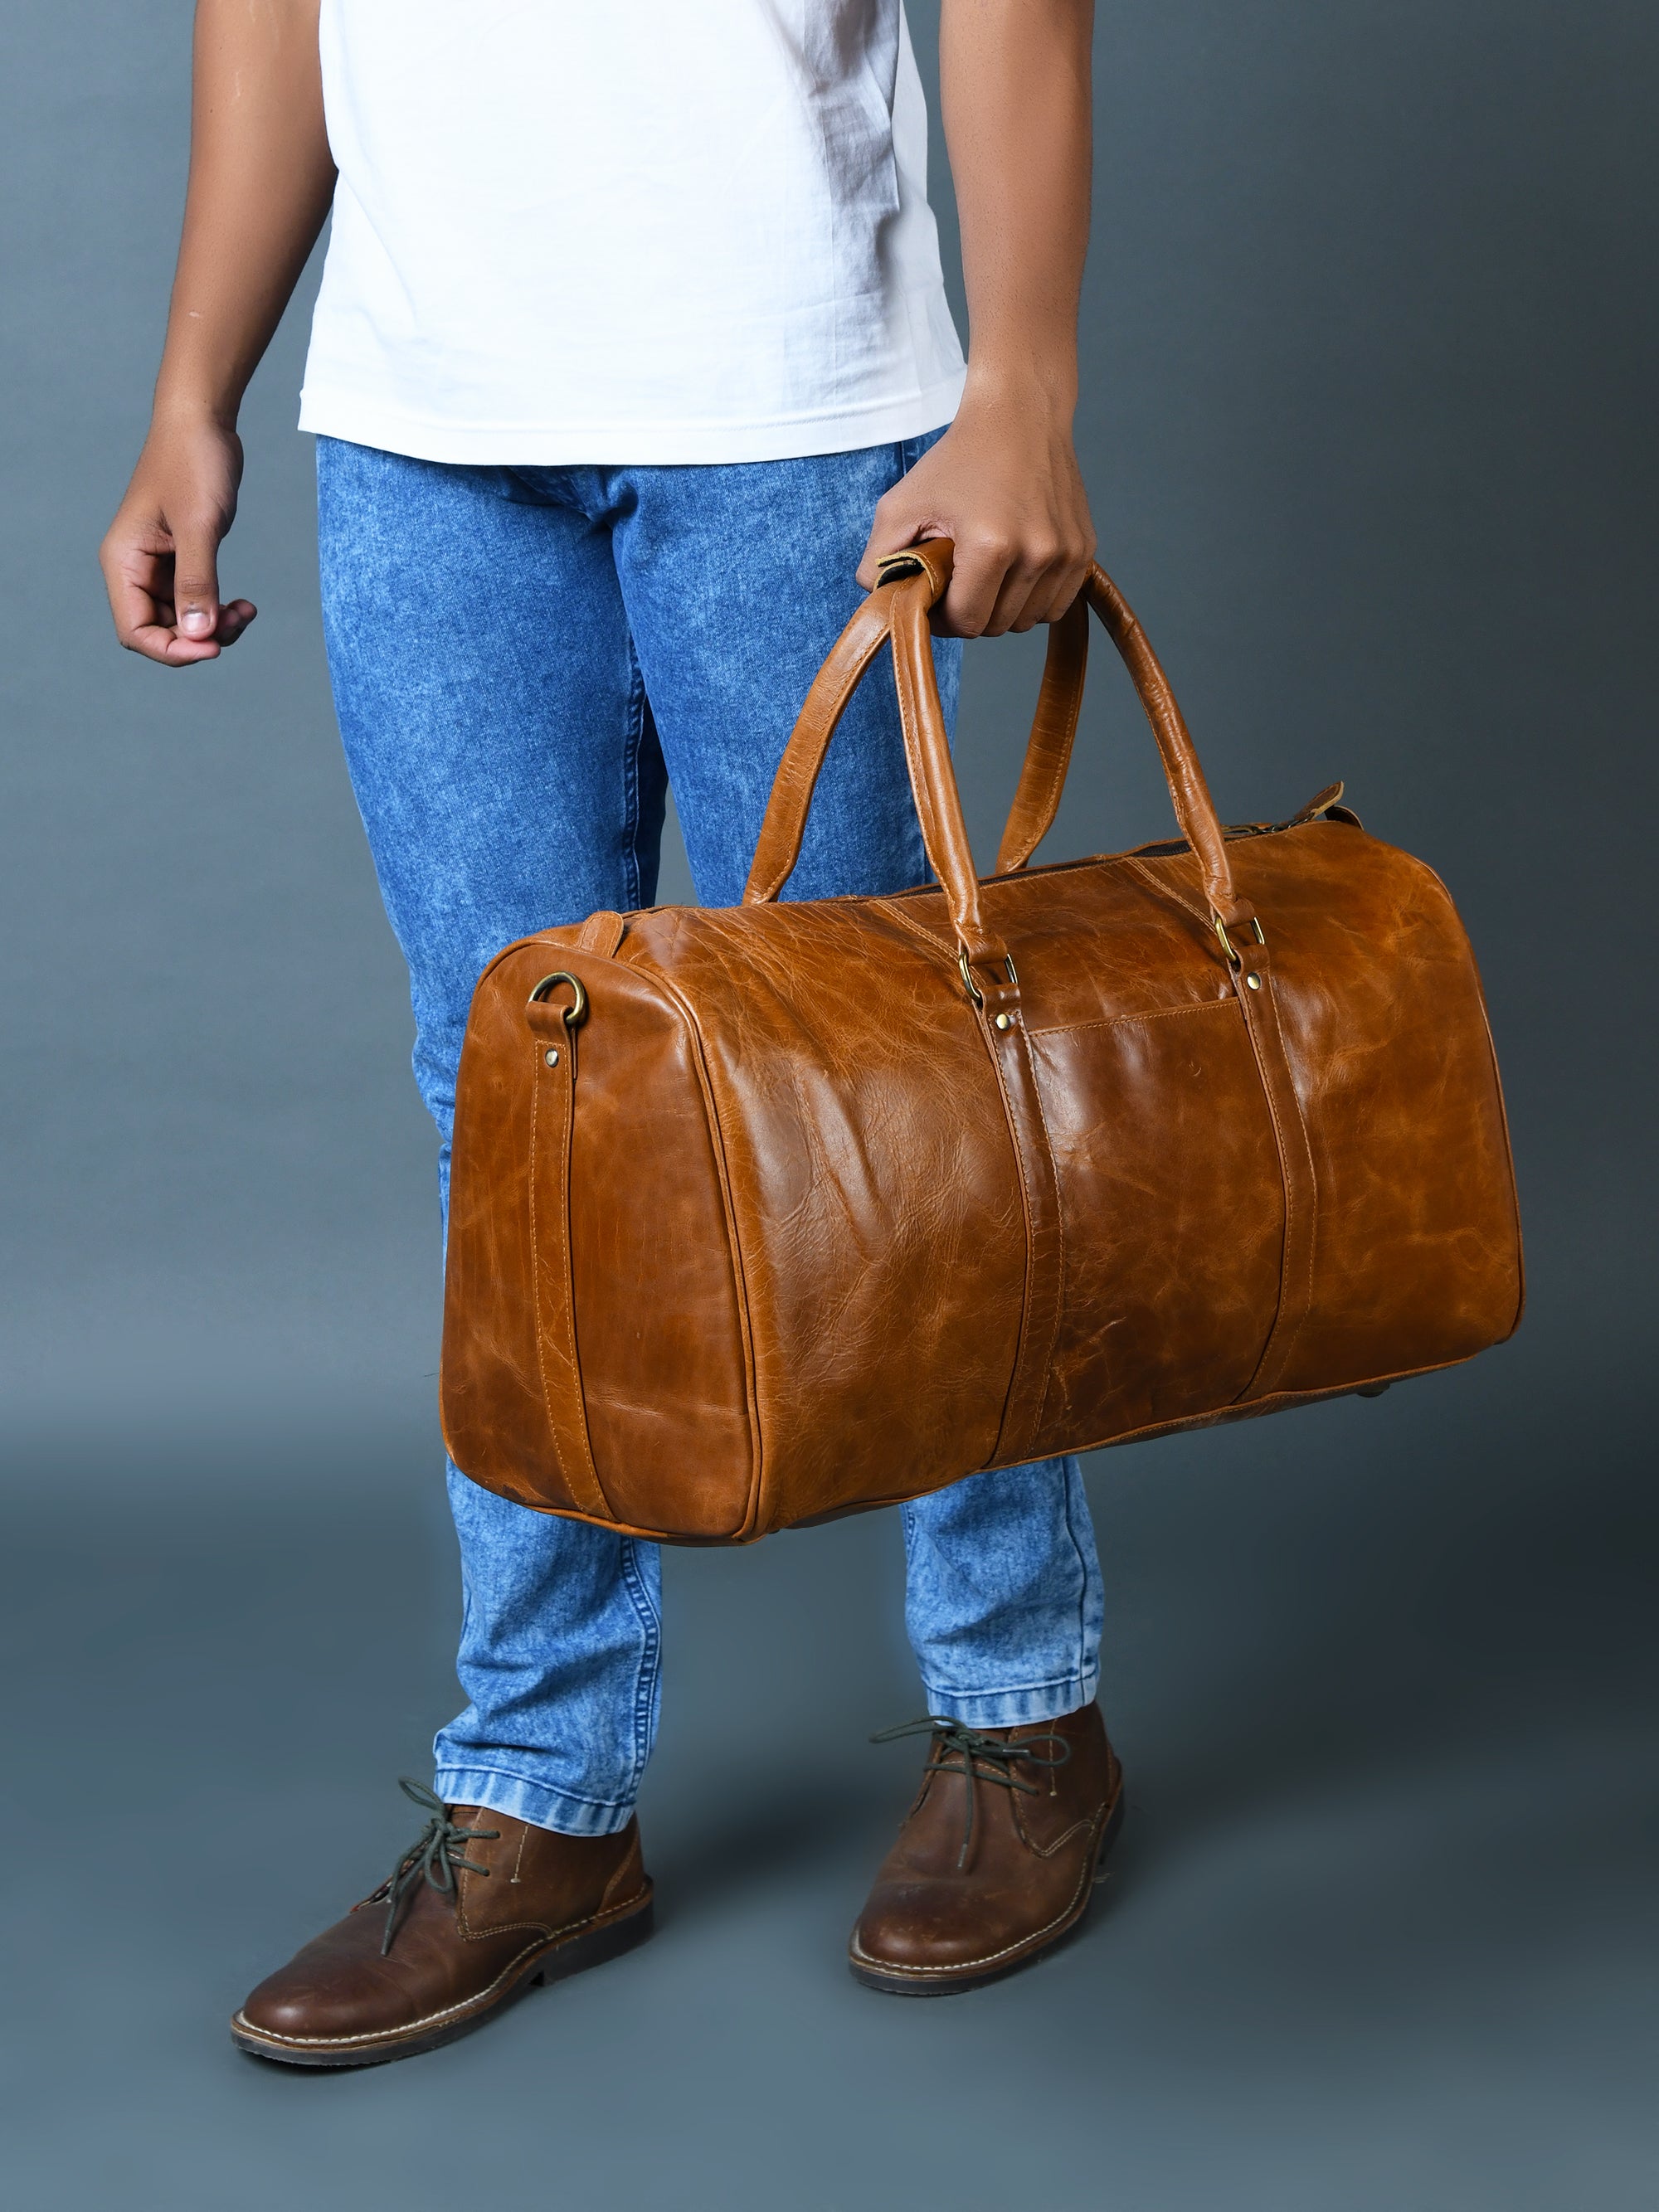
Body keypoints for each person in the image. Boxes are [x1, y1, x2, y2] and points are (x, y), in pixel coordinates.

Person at [102, 0, 1121, 2067]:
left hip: (801, 417)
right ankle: (541, 1795)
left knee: (891, 1098)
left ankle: (1025, 1708)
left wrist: (1020, 380)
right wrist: (192, 390)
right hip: (419, 435)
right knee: (515, 1128)